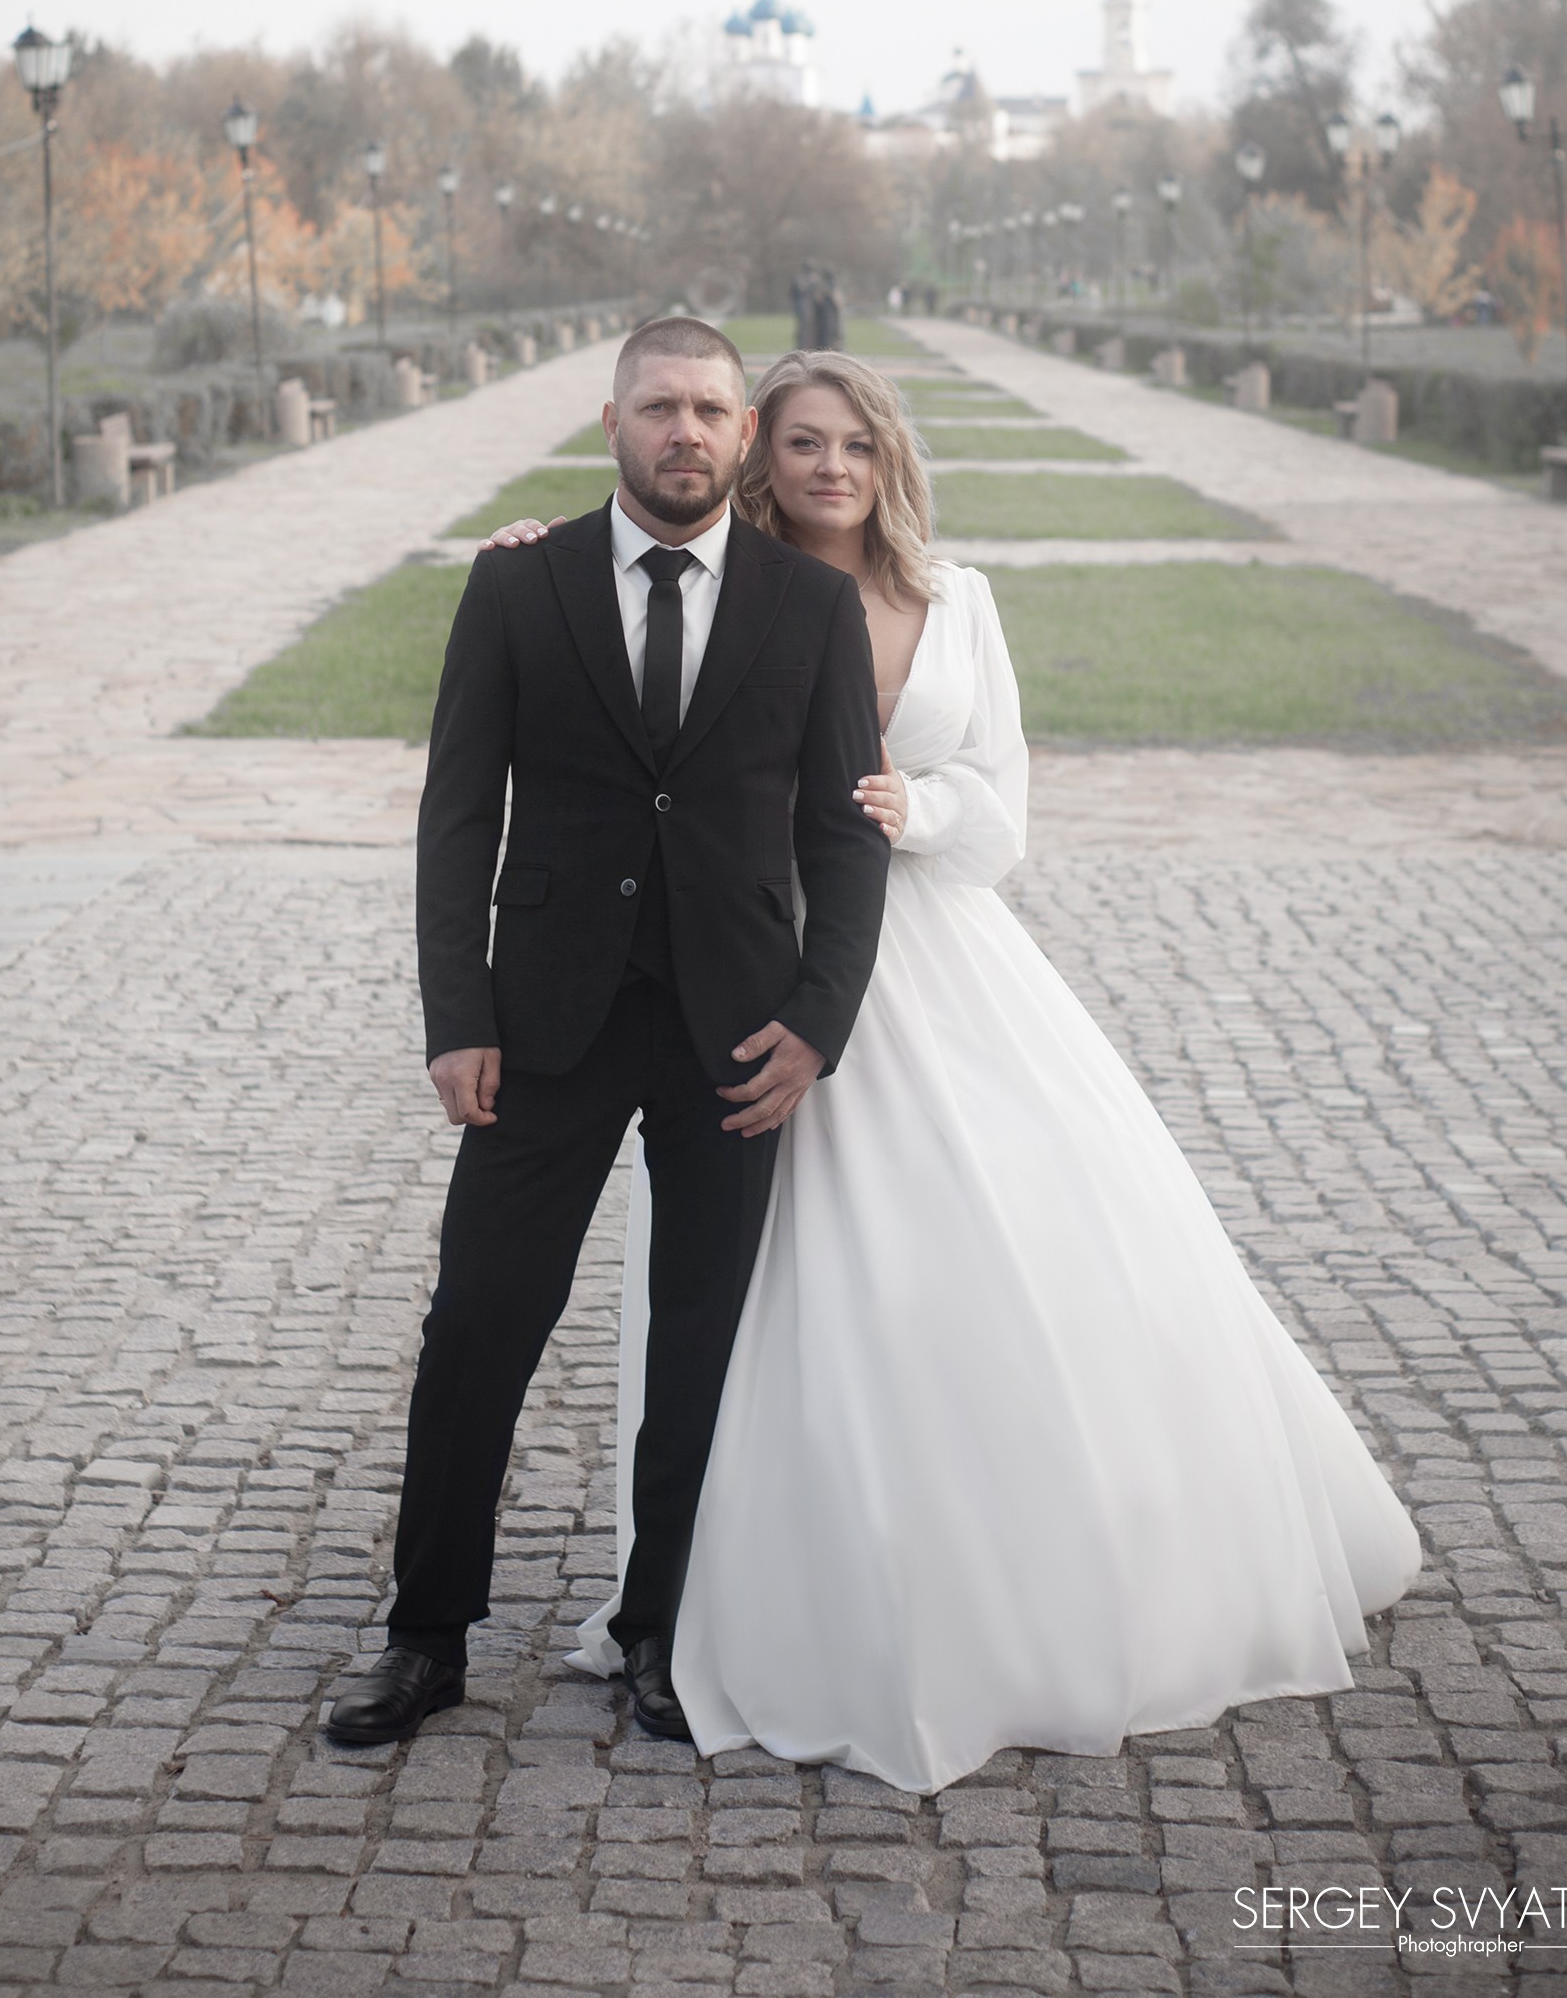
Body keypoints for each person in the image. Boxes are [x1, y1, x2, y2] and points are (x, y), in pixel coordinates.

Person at [481, 346, 1422, 1792]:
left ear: (890, 461)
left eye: (857, 444)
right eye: (804, 442)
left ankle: (1023, 1571)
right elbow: (628, 647)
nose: (831, 468)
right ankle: (714, 1590)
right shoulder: (732, 589)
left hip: (933, 961)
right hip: (748, 968)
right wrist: (533, 547)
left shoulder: (957, 602)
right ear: (758, 453)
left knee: (1003, 1248)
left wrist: (906, 805)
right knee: (743, 1298)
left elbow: (1002, 813)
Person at [324, 318, 891, 1754]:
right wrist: (457, 1016)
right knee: (477, 1326)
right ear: (612, 422)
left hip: (737, 1036)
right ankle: (424, 1635)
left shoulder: (811, 608)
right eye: (658, 407)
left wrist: (819, 1022)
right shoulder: (519, 585)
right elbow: (458, 814)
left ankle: (659, 1631)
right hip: (544, 1026)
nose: (683, 431)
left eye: (708, 409)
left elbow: (846, 833)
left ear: (743, 432)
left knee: (700, 1342)